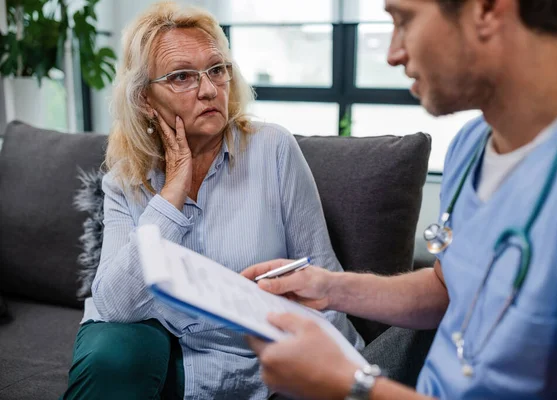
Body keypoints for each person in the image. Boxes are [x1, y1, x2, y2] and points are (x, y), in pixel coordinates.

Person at [242, 0, 557, 399]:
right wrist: (328, 287)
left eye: (404, 21)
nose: (394, 53)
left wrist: (353, 387)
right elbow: (446, 288)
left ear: (487, 9)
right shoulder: (471, 145)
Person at [61, 2, 363, 399]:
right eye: (181, 77)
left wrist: (356, 375)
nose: (208, 89)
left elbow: (319, 273)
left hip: (244, 363)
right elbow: (115, 306)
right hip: (154, 353)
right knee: (114, 353)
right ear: (146, 101)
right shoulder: (125, 177)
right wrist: (171, 197)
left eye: (216, 70)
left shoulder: (272, 148)